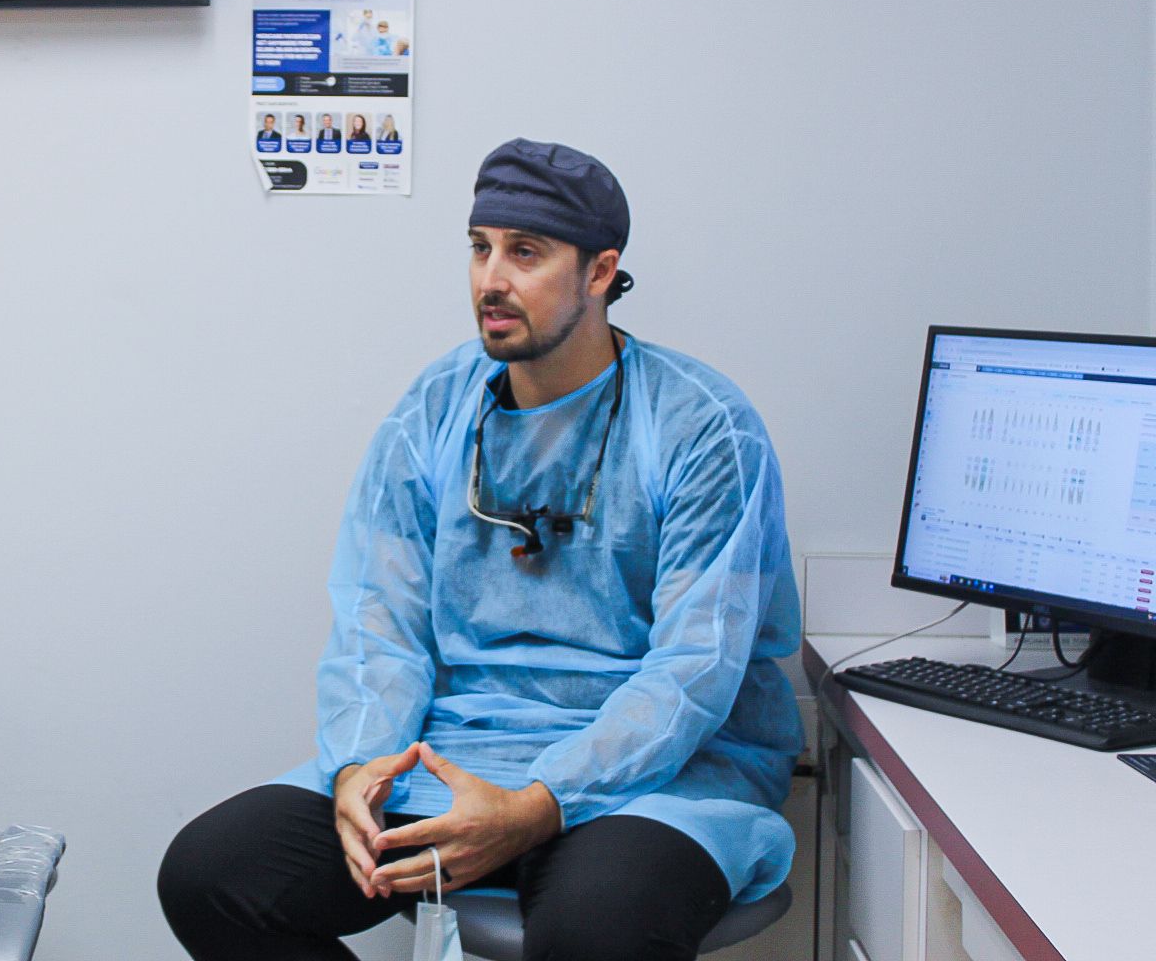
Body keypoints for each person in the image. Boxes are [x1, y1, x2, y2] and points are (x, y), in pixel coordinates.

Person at [159, 138, 803, 961]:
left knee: (593, 932)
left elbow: (693, 674)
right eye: (479, 248)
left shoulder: (702, 428)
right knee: (213, 875)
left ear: (600, 272)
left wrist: (538, 804)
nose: (490, 279)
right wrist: (364, 765)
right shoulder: (434, 408)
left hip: (656, 783)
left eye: (525, 253)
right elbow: (377, 616)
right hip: (453, 754)